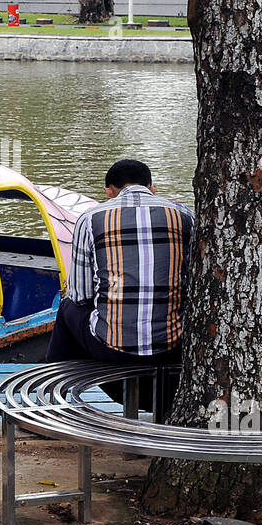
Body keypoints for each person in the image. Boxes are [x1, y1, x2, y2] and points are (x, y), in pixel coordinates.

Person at [47, 159, 193, 410]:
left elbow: (80, 294)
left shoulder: (91, 219)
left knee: (67, 306)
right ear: (151, 187)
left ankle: (51, 397)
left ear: (109, 190)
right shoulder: (184, 215)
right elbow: (192, 286)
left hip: (111, 349)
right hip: (172, 345)